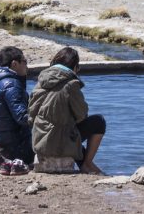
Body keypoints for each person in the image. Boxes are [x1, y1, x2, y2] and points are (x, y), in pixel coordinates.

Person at [28, 46, 107, 174]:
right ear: (75, 67)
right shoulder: (71, 84)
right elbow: (82, 114)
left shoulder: (40, 81)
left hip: (39, 140)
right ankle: (87, 164)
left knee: (67, 129)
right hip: (57, 142)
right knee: (99, 121)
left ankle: (86, 165)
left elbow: (31, 115)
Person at [0, 46, 33, 167]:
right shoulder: (12, 85)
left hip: (2, 145)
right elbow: (22, 117)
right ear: (15, 64)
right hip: (17, 148)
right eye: (25, 62)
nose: (27, 66)